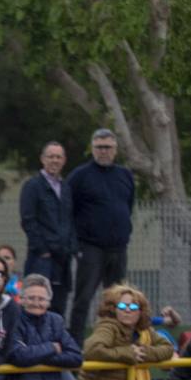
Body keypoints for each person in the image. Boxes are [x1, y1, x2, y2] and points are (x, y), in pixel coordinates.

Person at [67, 129, 135, 341]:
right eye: (99, 147)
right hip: (90, 247)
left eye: (108, 147)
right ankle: (76, 345)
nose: (103, 152)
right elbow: (68, 210)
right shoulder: (79, 176)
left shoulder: (125, 175)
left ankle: (117, 341)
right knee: (83, 298)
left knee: (118, 300)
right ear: (93, 149)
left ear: (115, 150)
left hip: (118, 247)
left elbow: (128, 206)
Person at [19, 141, 75, 313]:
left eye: (58, 157)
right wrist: (43, 249)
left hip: (63, 258)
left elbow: (70, 220)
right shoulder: (33, 186)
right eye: (51, 156)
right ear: (43, 159)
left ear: (64, 160)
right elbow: (28, 220)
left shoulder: (66, 188)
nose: (55, 161)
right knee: (37, 303)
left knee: (58, 304)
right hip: (42, 258)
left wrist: (72, 248)